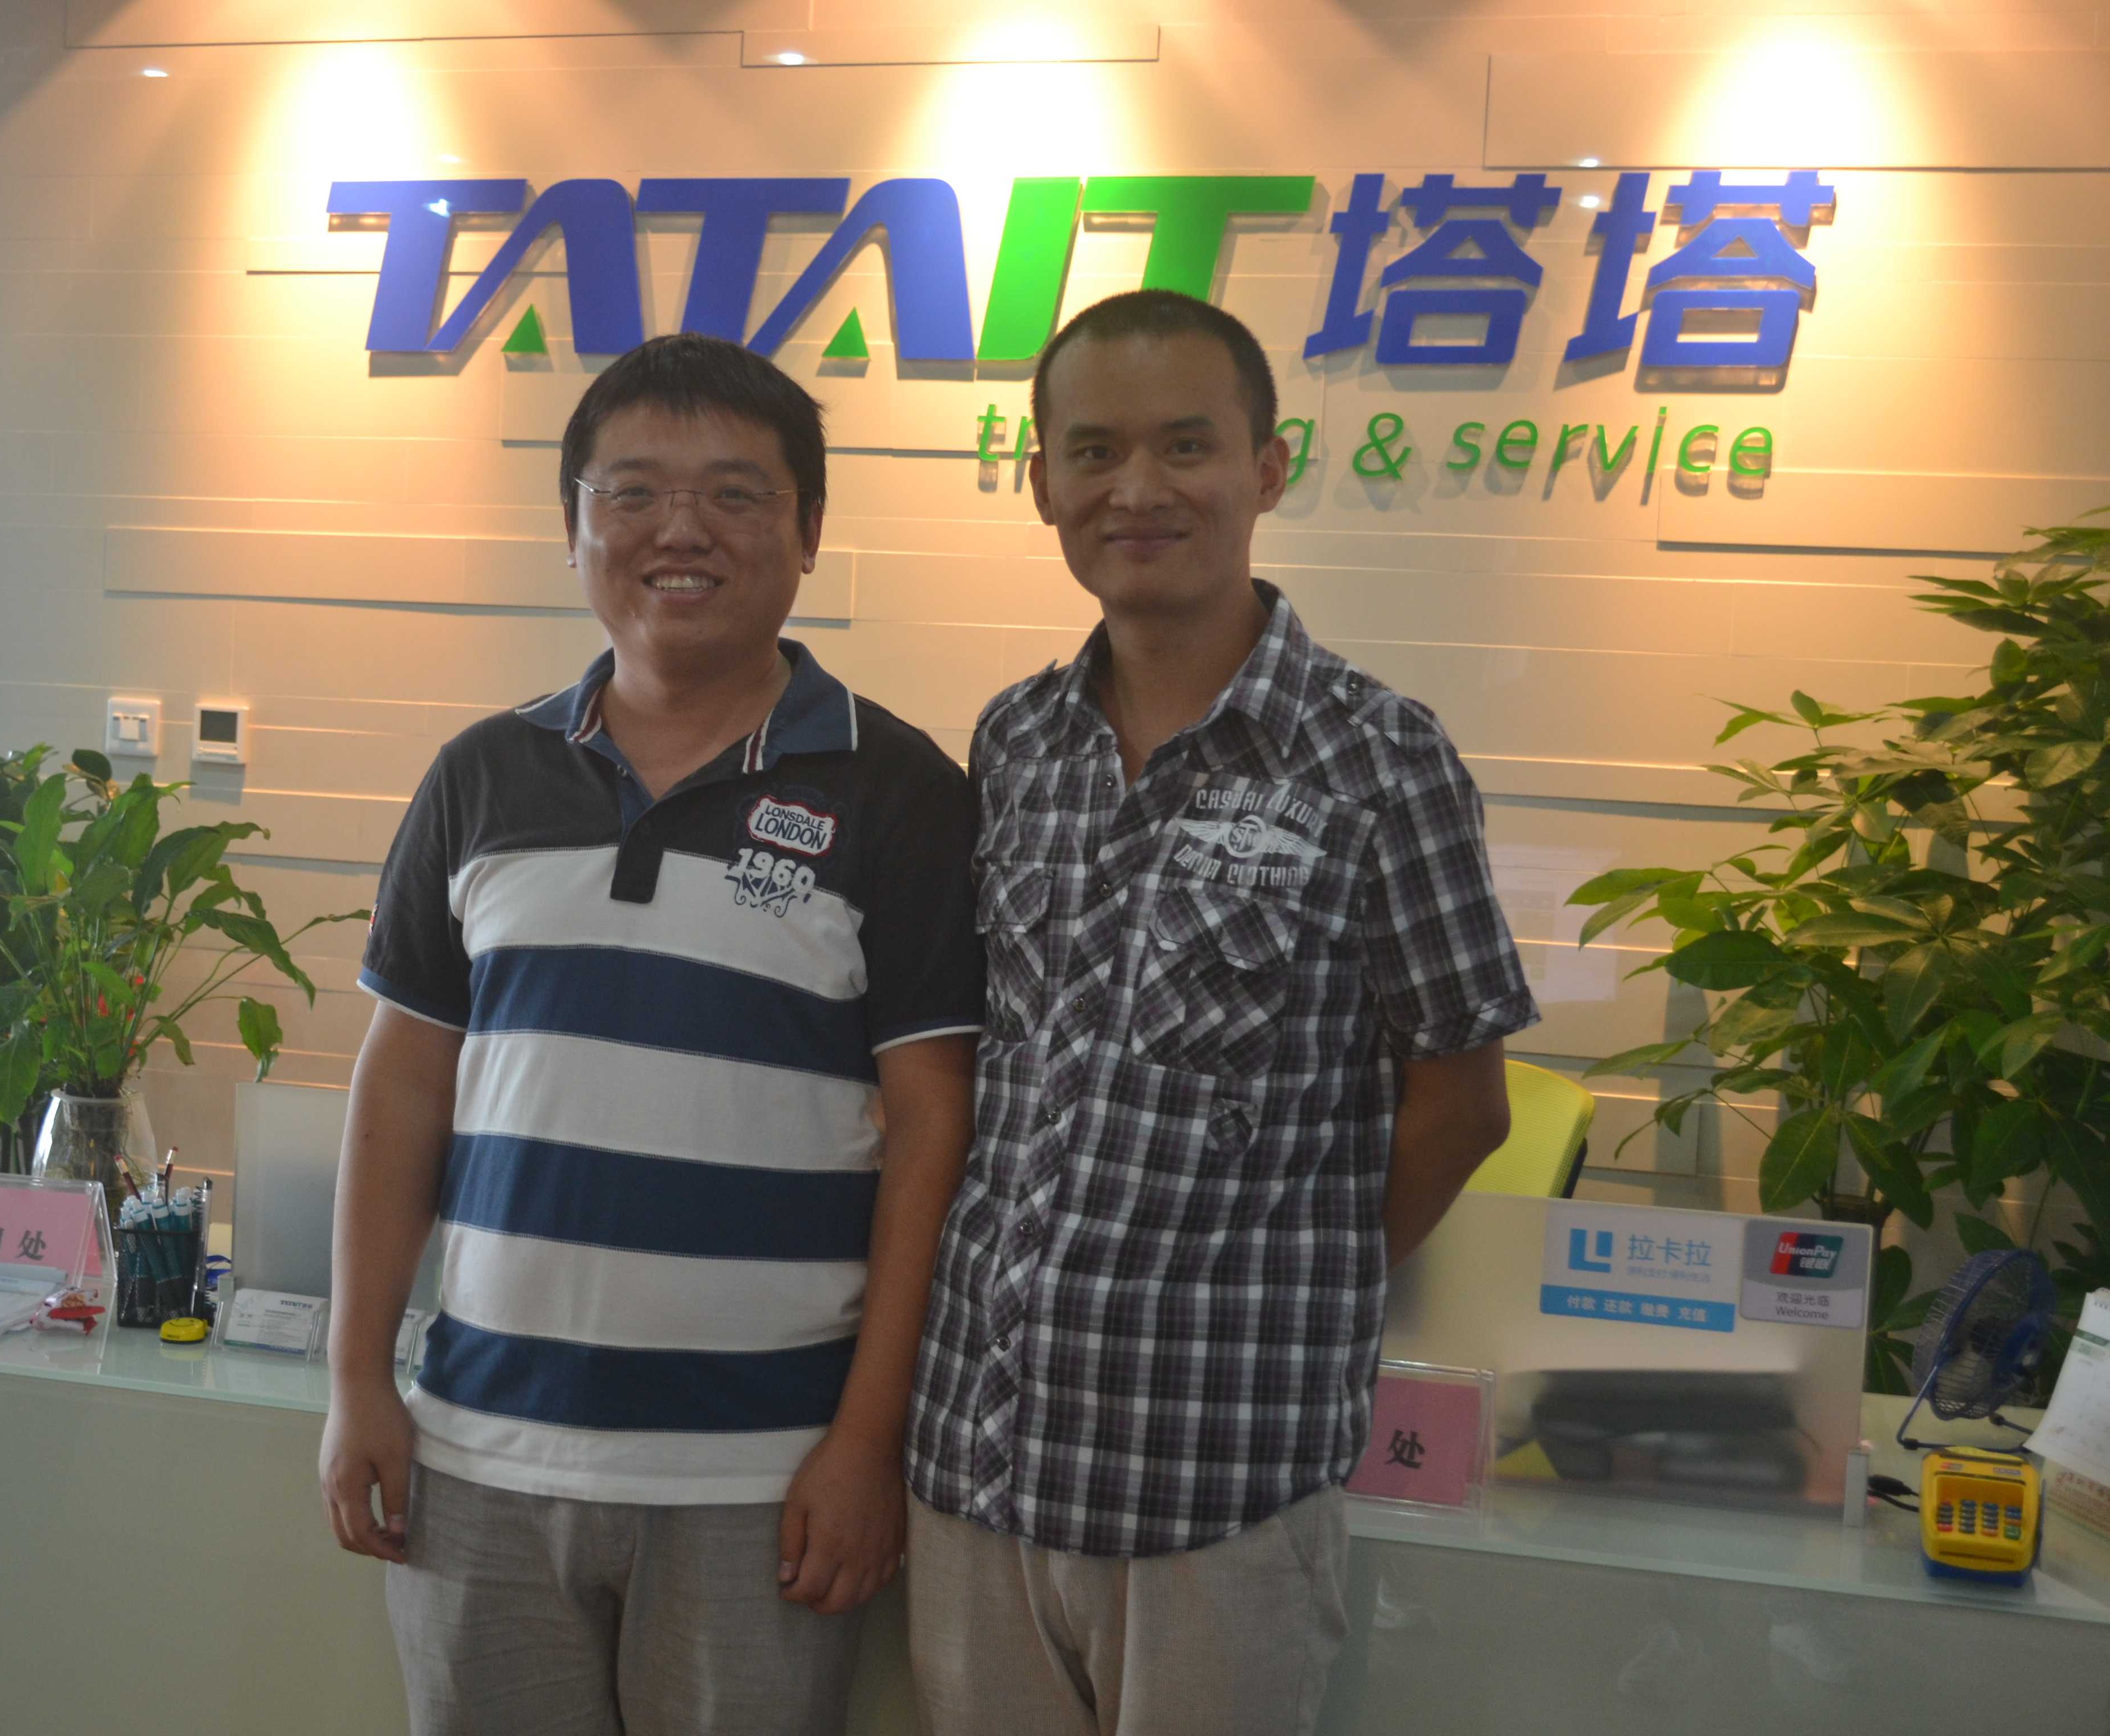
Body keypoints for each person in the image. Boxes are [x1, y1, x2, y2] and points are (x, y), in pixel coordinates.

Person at [319, 331, 983, 1736]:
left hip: (762, 1474)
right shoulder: (482, 777)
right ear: (573, 526)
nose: (681, 529)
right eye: (632, 492)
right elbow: (401, 1091)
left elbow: (936, 1129)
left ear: (809, 531)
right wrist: (357, 1379)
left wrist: (869, 1441)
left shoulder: (901, 791)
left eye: (737, 493)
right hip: (479, 1454)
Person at [904, 289, 1538, 1736]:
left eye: (1185, 446)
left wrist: (1292, 1277)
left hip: (1215, 1482)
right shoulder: (1015, 742)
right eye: (1094, 451)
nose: (1138, 488)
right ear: (1042, 482)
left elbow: (1463, 1103)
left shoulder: (1380, 760)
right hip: (974, 1465)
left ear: (1267, 467)